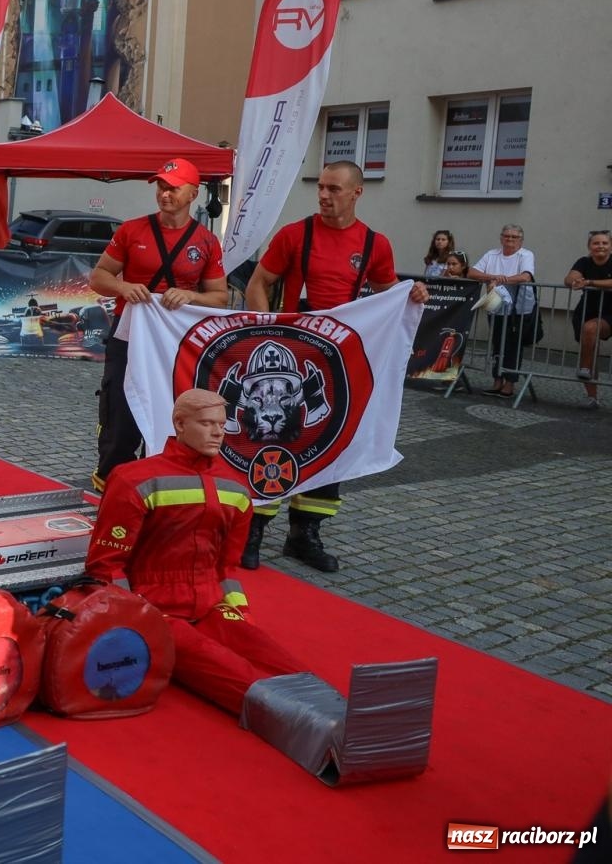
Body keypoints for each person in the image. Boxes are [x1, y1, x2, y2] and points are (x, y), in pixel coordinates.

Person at [80, 390, 437, 785]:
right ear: (179, 424)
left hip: (211, 601)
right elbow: (106, 564)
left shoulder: (234, 486)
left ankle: (359, 721)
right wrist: (135, 619)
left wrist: (238, 614)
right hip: (156, 607)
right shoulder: (135, 479)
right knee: (230, 670)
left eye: (221, 424)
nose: (217, 433)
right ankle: (326, 741)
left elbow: (227, 565)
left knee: (273, 655)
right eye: (205, 423)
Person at [243, 161, 428, 572]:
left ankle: (304, 534)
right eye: (321, 188)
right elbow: (259, 283)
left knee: (330, 439)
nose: (324, 196)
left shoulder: (375, 244)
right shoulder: (294, 235)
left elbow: (388, 296)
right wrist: (263, 331)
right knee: (274, 438)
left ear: (357, 193)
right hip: (291, 357)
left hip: (337, 361)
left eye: (334, 189)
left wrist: (411, 293)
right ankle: (251, 530)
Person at [88, 159, 228, 491]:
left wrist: (190, 297)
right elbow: (99, 277)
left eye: (174, 188)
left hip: (177, 344)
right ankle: (111, 488)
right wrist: (122, 287)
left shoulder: (206, 241)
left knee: (171, 414)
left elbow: (220, 298)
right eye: (161, 187)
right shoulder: (131, 230)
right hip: (129, 336)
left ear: (193, 193)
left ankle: (161, 489)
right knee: (120, 417)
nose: (165, 194)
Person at [467, 224, 536, 399]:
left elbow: (525, 276)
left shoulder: (525, 255)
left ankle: (510, 383)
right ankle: (497, 380)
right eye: (506, 236)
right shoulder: (492, 254)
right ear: (501, 238)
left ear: (521, 240)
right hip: (497, 307)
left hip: (519, 309)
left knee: (513, 344)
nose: (510, 240)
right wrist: (494, 278)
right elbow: (472, 272)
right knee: (498, 343)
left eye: (514, 237)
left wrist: (502, 280)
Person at [565, 229, 612, 409]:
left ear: (610, 246)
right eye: (596, 243)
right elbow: (570, 278)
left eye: (604, 243)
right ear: (589, 247)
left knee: (591, 328)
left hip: (609, 312)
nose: (600, 246)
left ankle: (583, 369)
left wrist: (590, 282)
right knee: (590, 350)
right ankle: (592, 397)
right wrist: (575, 280)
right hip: (586, 310)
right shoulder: (584, 261)